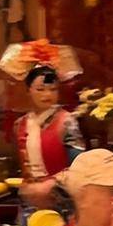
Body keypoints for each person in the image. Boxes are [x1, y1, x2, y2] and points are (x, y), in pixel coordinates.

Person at [12, 64, 84, 210]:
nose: (47, 95)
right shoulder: (19, 124)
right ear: (28, 90)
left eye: (53, 89)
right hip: (29, 197)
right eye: (40, 89)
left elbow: (79, 165)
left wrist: (51, 184)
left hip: (60, 196)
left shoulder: (66, 122)